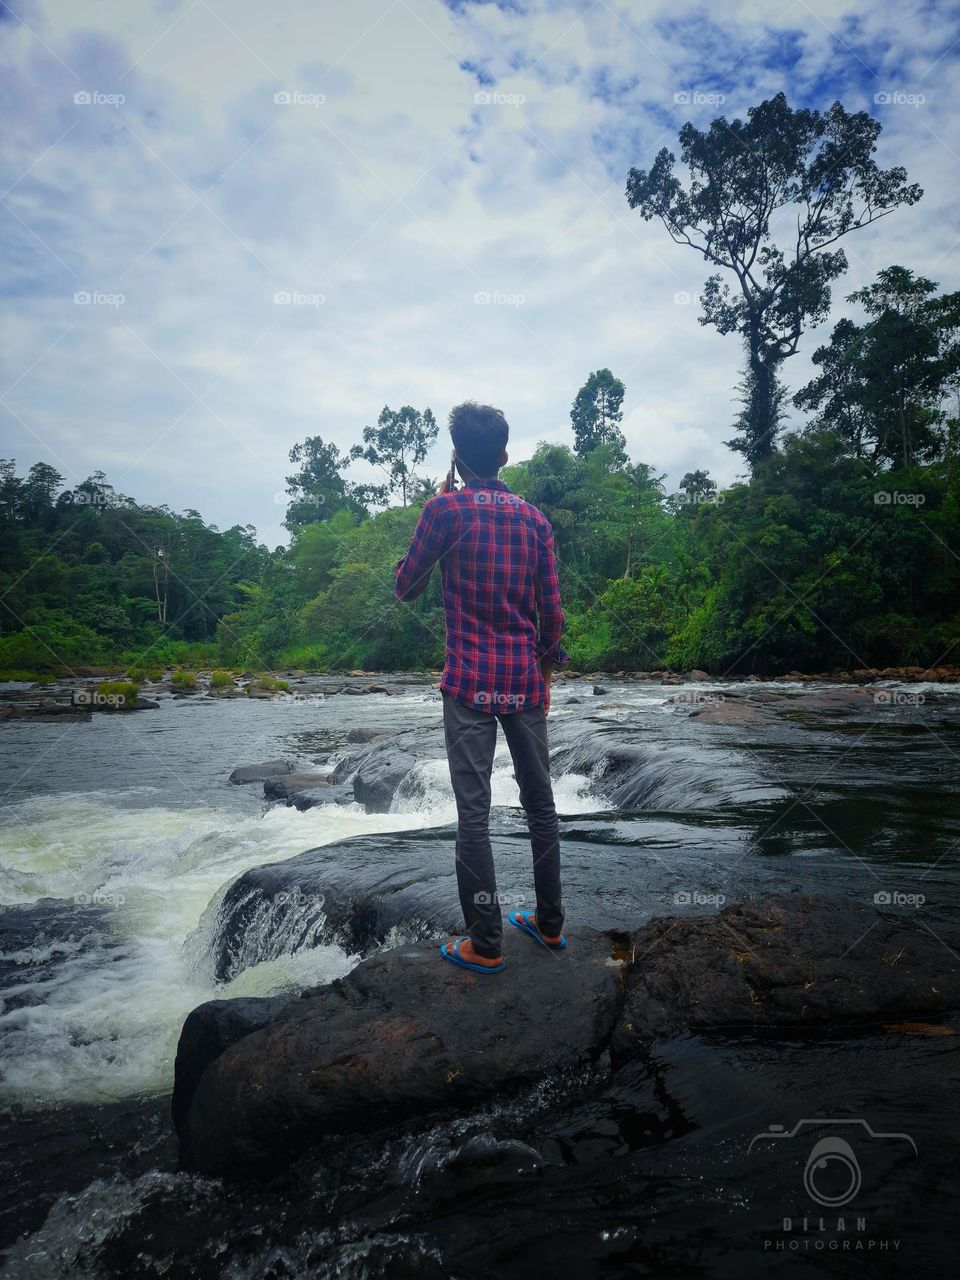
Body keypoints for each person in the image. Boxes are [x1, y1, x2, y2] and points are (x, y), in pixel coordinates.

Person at [394, 401, 569, 975]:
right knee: (540, 802)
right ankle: (550, 925)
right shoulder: (535, 520)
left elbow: (406, 588)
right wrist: (543, 675)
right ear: (503, 455)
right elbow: (553, 614)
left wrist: (436, 505)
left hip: (468, 681)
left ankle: (486, 943)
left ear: (457, 455)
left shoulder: (443, 511)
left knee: (474, 813)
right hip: (524, 679)